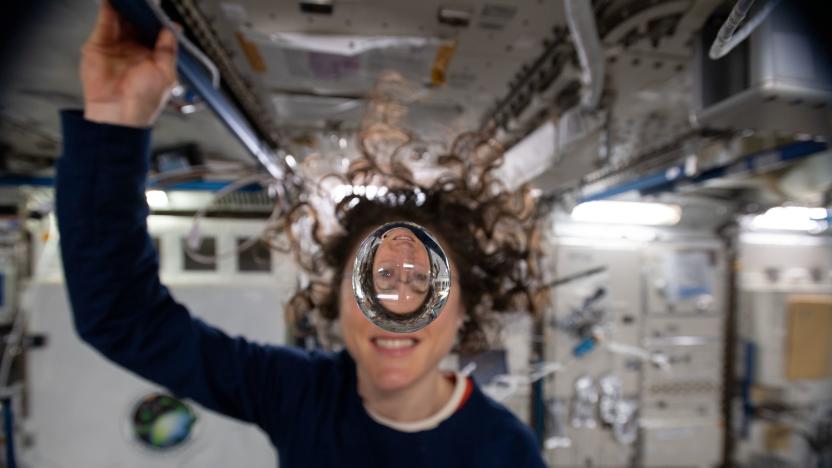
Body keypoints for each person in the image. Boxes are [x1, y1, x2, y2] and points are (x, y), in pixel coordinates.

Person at [56, 1, 547, 467]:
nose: (397, 310)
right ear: (335, 300)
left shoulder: (506, 453)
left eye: (425, 286)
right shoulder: (299, 392)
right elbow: (121, 317)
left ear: (465, 309)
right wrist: (115, 126)